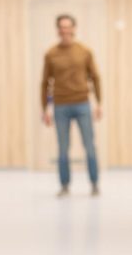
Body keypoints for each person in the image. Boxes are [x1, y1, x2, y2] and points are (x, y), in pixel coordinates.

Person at [41, 14, 102, 196]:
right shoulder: (50, 54)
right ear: (58, 30)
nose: (65, 30)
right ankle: (65, 185)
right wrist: (44, 108)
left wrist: (98, 103)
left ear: (73, 29)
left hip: (82, 104)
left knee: (89, 146)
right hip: (60, 106)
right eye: (61, 27)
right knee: (63, 148)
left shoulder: (84, 51)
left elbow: (96, 77)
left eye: (68, 27)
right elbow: (45, 82)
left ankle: (94, 183)